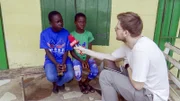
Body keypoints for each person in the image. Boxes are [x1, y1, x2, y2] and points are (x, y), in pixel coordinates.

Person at [74, 12, 169, 101]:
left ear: (126, 33)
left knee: (105, 76)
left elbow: (138, 85)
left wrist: (127, 65)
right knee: (105, 65)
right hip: (143, 87)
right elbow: (109, 56)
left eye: (118, 28)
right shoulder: (130, 44)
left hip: (150, 96)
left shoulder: (141, 50)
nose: (115, 28)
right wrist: (84, 50)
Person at [40, 11, 74, 94]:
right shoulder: (44, 34)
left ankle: (58, 83)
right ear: (51, 23)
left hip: (64, 59)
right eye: (57, 22)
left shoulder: (66, 33)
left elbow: (66, 50)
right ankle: (55, 83)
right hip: (51, 60)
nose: (61, 23)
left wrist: (62, 63)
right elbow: (47, 52)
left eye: (61, 20)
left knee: (70, 75)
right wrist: (56, 64)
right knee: (51, 77)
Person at [70, 13, 99, 94]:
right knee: (77, 71)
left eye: (84, 22)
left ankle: (85, 83)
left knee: (95, 71)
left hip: (87, 57)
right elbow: (72, 52)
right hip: (76, 58)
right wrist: (81, 61)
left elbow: (89, 50)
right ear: (75, 22)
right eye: (79, 22)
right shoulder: (72, 35)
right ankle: (80, 83)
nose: (82, 24)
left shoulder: (88, 34)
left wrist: (86, 60)